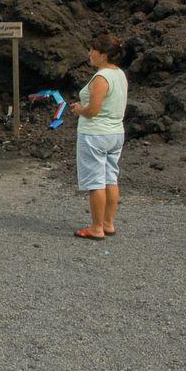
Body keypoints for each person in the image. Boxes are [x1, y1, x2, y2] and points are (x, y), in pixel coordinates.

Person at [70, 34, 128, 241]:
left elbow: (93, 110)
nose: (89, 53)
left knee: (96, 181)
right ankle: (108, 223)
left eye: (92, 50)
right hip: (115, 132)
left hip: (95, 134)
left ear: (103, 55)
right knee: (111, 178)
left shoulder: (101, 78)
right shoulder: (120, 74)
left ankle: (96, 228)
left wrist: (79, 109)